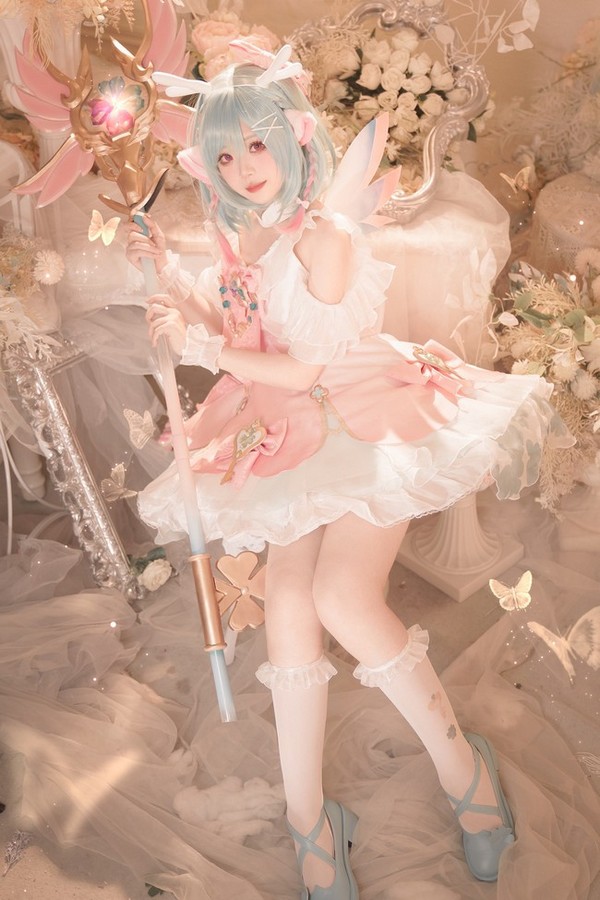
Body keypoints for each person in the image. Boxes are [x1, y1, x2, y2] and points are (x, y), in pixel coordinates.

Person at [126, 43, 571, 900]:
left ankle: (465, 774)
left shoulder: (325, 236)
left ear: (293, 136)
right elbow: (244, 327)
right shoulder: (243, 229)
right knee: (289, 608)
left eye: (257, 144)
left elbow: (302, 367)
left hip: (364, 417)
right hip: (288, 432)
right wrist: (172, 292)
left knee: (341, 597)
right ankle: (311, 823)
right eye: (224, 155)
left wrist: (201, 348)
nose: (243, 168)